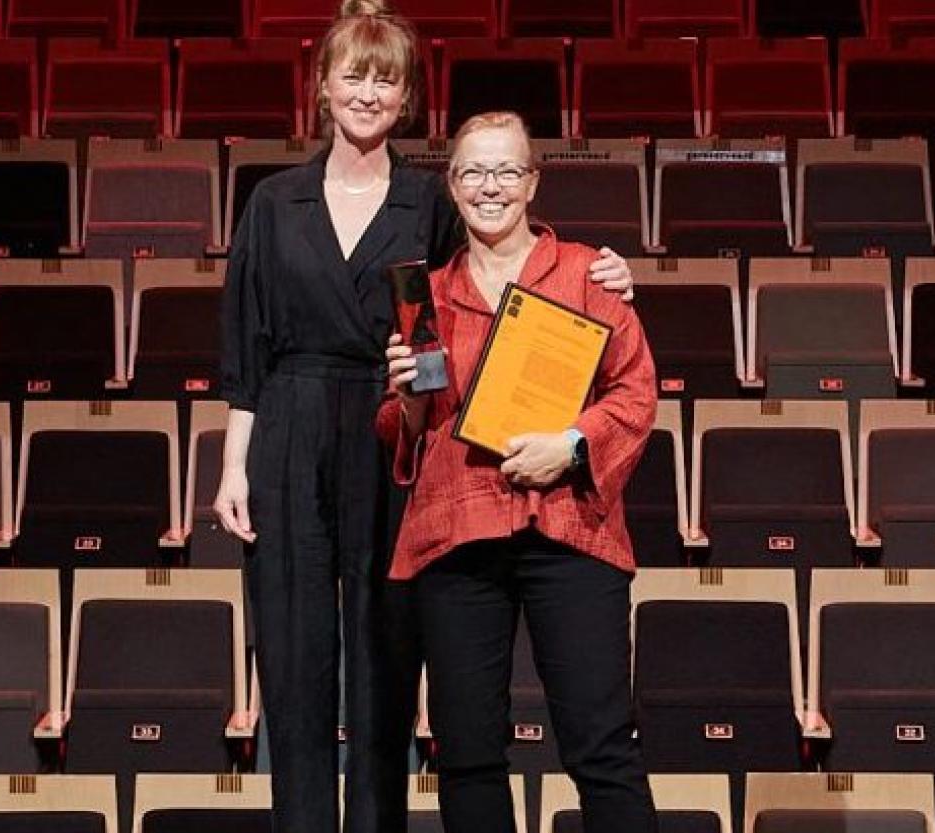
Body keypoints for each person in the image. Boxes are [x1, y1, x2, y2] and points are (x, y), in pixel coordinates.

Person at [212, 4, 638, 830]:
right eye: (354, 75)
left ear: (406, 96)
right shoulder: (272, 200)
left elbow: (492, 291)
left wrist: (611, 274)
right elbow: (245, 345)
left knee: (385, 661)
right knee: (295, 664)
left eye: (387, 78)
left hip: (395, 429)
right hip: (291, 431)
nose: (368, 93)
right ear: (323, 85)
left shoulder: (427, 199)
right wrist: (233, 465)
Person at [379, 111, 661, 833]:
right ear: (452, 185)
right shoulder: (423, 295)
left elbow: (634, 392)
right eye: (473, 171)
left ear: (533, 180)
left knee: (601, 747)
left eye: (507, 170)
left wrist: (570, 444)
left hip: (570, 529)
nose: (490, 187)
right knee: (467, 751)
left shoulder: (586, 273)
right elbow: (408, 429)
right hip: (461, 530)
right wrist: (407, 397)